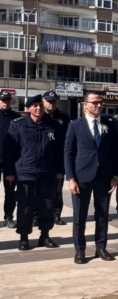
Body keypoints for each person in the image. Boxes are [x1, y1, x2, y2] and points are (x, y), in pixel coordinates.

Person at [64, 92, 118, 264]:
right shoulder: (75, 125)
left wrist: (116, 175)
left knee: (102, 214)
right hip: (82, 176)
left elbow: (115, 151)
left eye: (101, 102)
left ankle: (101, 247)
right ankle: (80, 250)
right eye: (95, 102)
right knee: (79, 215)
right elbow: (68, 153)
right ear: (85, 105)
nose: (98, 105)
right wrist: (71, 178)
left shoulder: (109, 125)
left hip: (104, 176)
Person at [4, 95, 64, 250]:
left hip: (47, 172)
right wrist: (9, 171)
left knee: (47, 206)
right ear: (28, 108)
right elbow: (9, 150)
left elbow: (60, 150)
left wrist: (60, 170)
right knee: (25, 206)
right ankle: (24, 237)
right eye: (35, 106)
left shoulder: (53, 125)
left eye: (40, 105)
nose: (38, 108)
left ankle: (45, 235)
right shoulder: (18, 125)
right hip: (25, 173)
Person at [42, 91, 71, 225]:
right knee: (40, 189)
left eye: (53, 101)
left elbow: (69, 137)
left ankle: (56, 214)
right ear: (43, 101)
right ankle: (37, 215)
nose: (51, 104)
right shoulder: (39, 115)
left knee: (57, 190)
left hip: (59, 158)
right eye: (48, 101)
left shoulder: (63, 117)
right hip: (42, 158)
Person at [0, 91, 21, 228]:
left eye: (8, 100)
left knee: (10, 191)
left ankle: (9, 217)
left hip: (11, 161)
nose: (6, 103)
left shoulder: (16, 118)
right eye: (3, 100)